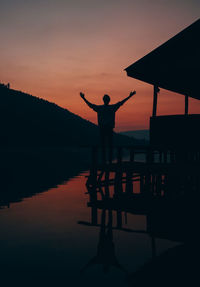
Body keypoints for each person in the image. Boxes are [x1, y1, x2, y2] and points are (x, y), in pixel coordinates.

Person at [80, 90, 136, 163]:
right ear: (108, 100)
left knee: (104, 145)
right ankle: (109, 160)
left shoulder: (100, 108)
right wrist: (130, 96)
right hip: (108, 128)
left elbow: (90, 105)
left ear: (104, 100)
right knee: (109, 145)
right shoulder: (112, 108)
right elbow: (121, 103)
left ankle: (105, 160)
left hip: (103, 128)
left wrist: (83, 98)